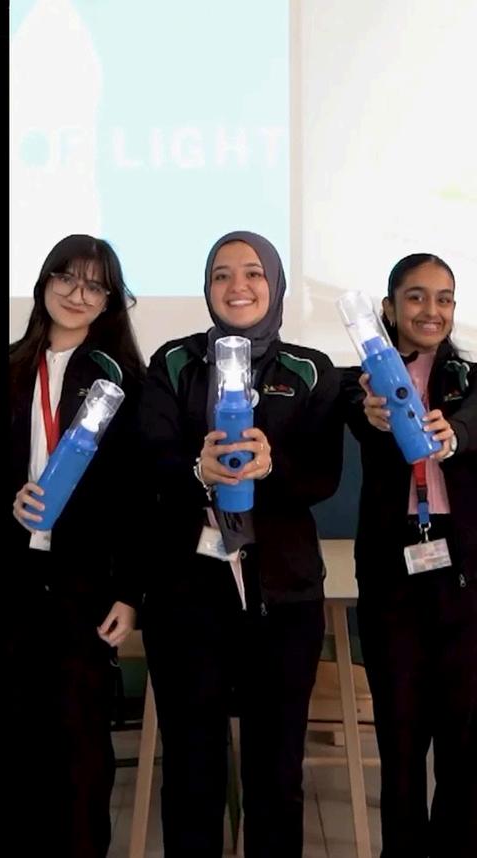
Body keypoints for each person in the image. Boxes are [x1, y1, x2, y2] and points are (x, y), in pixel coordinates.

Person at [138, 230, 343, 857]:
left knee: (276, 775)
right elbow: (151, 459)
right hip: (187, 596)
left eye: (253, 272)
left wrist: (270, 467)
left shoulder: (311, 369)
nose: (238, 286)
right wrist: (196, 470)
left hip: (284, 597)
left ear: (275, 285)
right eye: (222, 274)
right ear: (207, 288)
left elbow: (322, 476)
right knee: (192, 772)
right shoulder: (173, 362)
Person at [7, 234, 145, 858]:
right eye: (66, 278)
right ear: (44, 283)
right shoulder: (12, 367)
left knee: (80, 750)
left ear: (109, 301)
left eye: (94, 285)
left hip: (83, 586)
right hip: (14, 579)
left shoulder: (124, 380)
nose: (77, 294)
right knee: (20, 743)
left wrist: (129, 593)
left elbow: (142, 498)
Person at [342, 253, 477, 858]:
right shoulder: (361, 382)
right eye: (416, 297)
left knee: (463, 741)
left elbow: (475, 419)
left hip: (462, 572)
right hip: (393, 573)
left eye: (444, 298)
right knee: (399, 739)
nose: (431, 310)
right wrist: (368, 413)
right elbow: (352, 409)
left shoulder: (470, 380)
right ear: (389, 308)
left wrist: (458, 434)